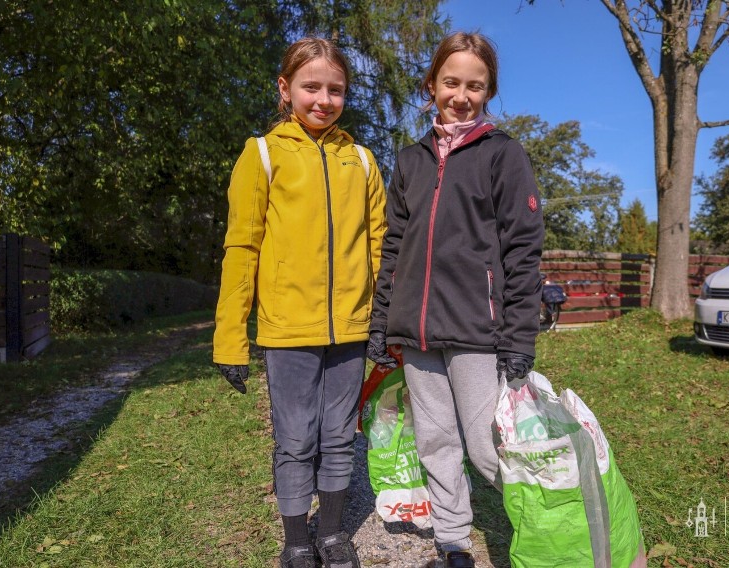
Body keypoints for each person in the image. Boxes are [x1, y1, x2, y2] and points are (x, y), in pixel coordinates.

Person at [367, 31, 544, 568]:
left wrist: (519, 338)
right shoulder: (410, 161)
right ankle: (452, 542)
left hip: (477, 331)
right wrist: (382, 325)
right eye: (451, 82)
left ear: (487, 91)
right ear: (432, 85)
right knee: (436, 443)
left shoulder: (503, 154)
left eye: (475, 85)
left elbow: (522, 248)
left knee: (489, 448)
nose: (461, 94)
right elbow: (393, 246)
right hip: (417, 333)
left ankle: (545, 526)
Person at [213, 37, 387, 568]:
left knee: (338, 437)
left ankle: (332, 534)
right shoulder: (261, 154)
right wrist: (229, 337)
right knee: (295, 438)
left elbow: (379, 244)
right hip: (288, 331)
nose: (324, 99)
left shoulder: (361, 159)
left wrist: (383, 320)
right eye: (311, 87)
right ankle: (294, 540)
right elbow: (241, 246)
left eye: (336, 89)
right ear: (285, 89)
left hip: (351, 331)